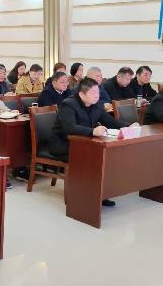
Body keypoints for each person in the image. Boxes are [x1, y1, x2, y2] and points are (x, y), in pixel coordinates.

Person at [48, 77, 133, 206]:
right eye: (93, 93)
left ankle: (101, 194)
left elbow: (109, 121)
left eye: (98, 92)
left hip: (85, 143)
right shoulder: (68, 104)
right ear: (82, 94)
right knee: (93, 158)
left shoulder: (97, 104)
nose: (97, 96)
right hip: (63, 144)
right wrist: (92, 131)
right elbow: (69, 128)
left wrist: (127, 126)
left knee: (107, 156)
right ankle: (83, 196)